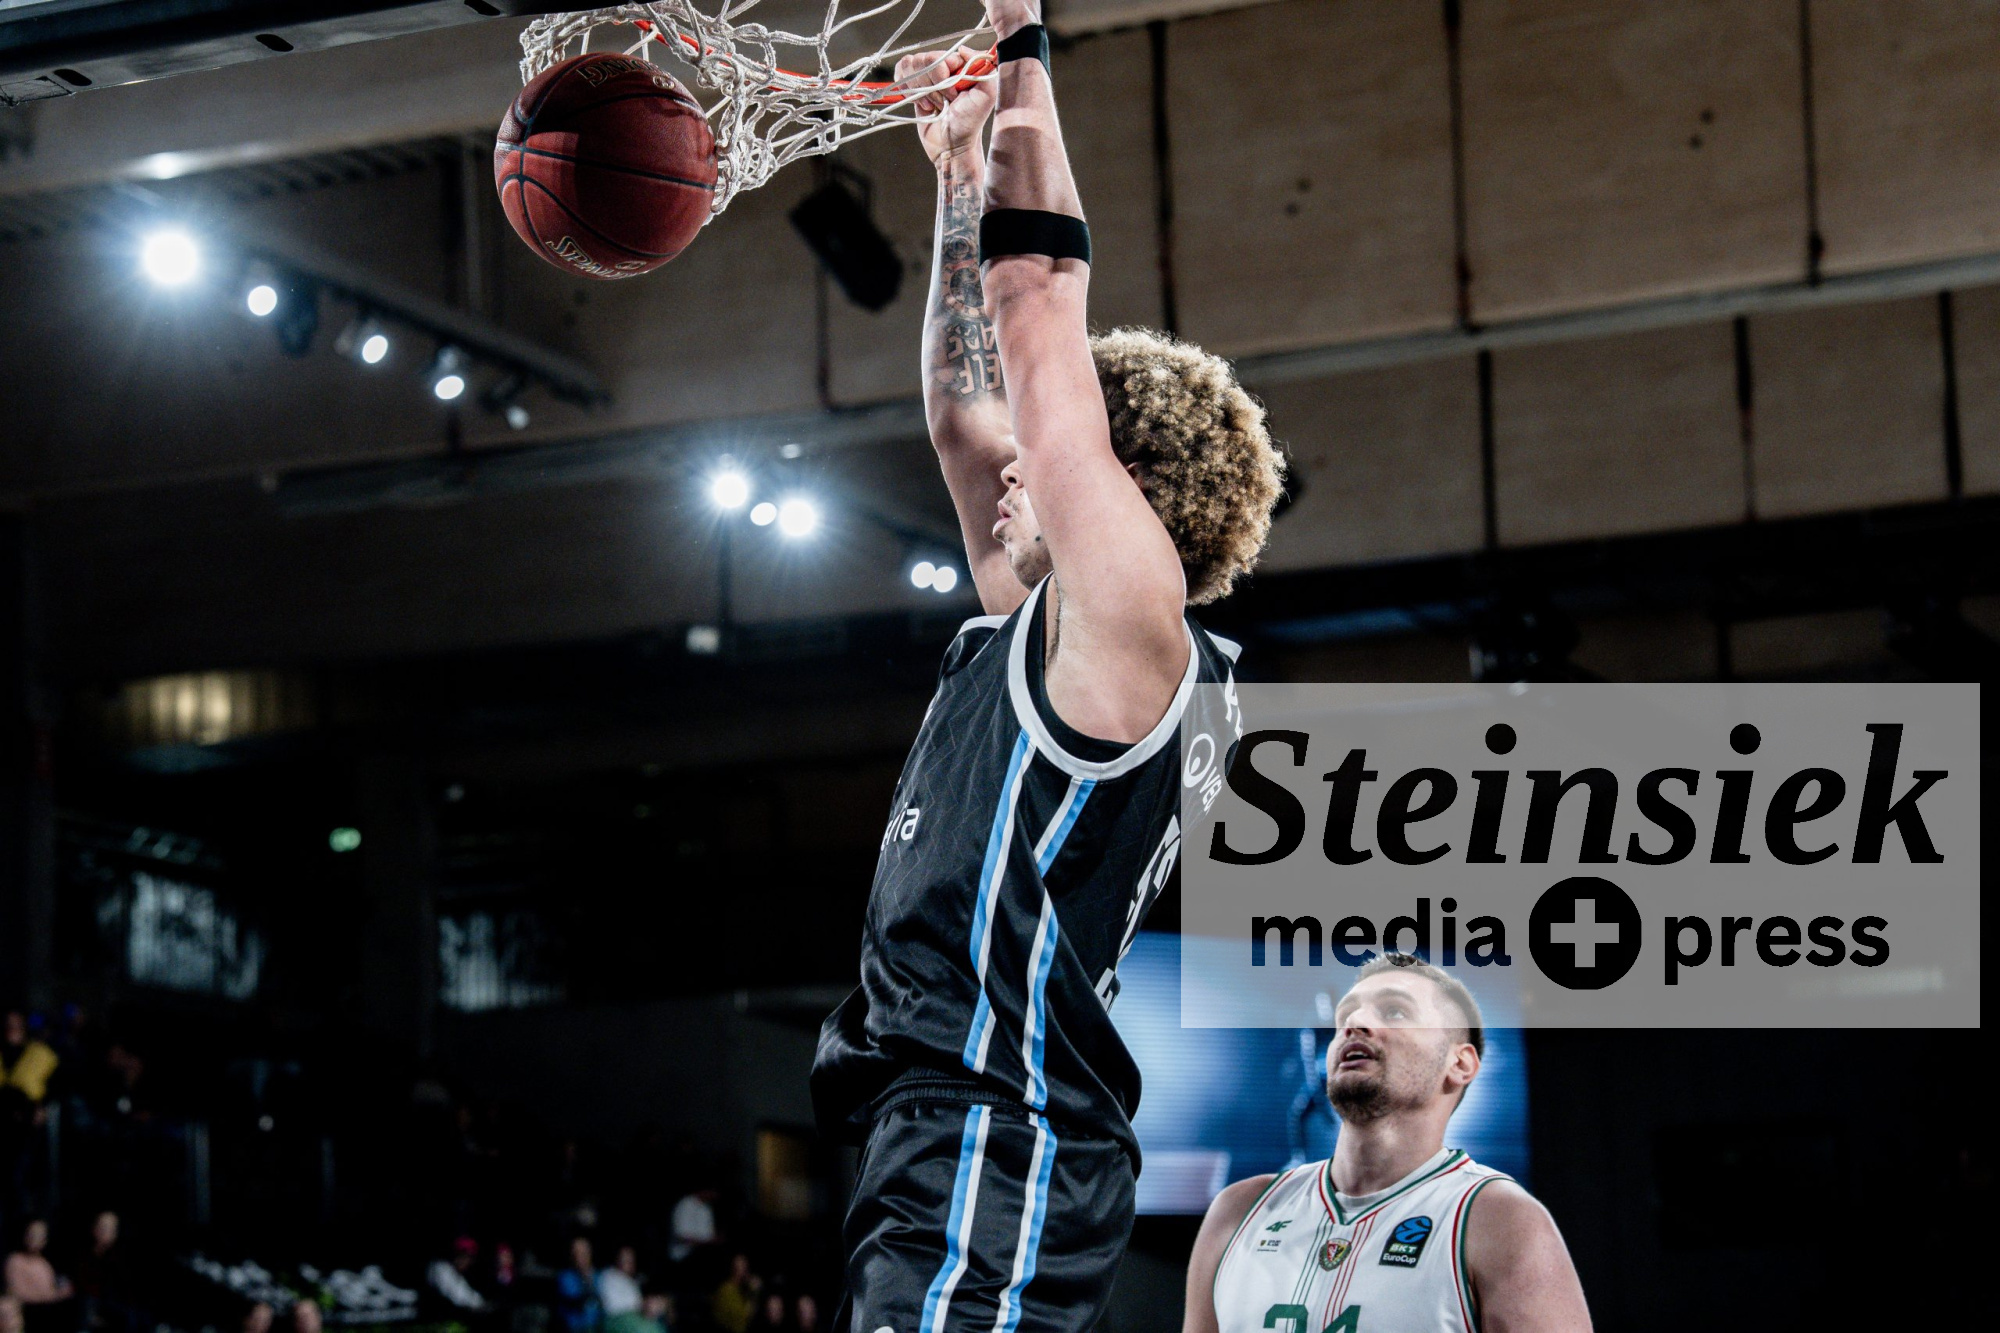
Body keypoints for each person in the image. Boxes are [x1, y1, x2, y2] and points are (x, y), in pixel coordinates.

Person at [813, 1, 1284, 1330]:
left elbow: (1035, 301)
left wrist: (1021, 42)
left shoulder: (1132, 617)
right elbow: (963, 421)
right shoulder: (1062, 633)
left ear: (1122, 486)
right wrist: (959, 175)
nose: (1011, 468)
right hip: (939, 1126)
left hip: (998, 1124)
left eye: (1051, 451)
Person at [1185, 954, 1592, 1333]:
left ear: (1460, 1062)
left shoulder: (1501, 1221)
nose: (1354, 1022)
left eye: (1395, 1011)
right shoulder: (1238, 1212)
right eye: (1347, 1014)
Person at [3, 1220, 71, 1308]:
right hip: (25, 1309)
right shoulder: (15, 1261)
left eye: (39, 1235)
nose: (34, 1239)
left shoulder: (44, 1264)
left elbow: (50, 1291)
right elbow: (18, 1294)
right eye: (31, 1234)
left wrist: (61, 1293)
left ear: (45, 1240)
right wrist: (53, 1296)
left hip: (46, 1309)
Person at [428, 1237, 488, 1314]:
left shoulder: (456, 1272)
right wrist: (482, 1305)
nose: (468, 1262)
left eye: (471, 1258)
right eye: (465, 1256)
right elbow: (459, 1297)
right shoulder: (440, 1267)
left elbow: (470, 1296)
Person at [556, 1238, 602, 1333]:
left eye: (583, 1253)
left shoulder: (600, 1276)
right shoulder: (566, 1277)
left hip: (600, 1326)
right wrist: (584, 1277)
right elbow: (574, 1301)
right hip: (576, 1327)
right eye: (576, 1253)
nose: (580, 1257)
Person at [666, 1186, 717, 1265]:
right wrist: (703, 1242)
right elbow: (680, 1237)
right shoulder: (685, 1204)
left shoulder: (706, 1209)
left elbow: (709, 1236)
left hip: (702, 1254)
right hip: (682, 1256)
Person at [707, 1255, 758, 1333]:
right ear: (733, 1269)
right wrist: (753, 1292)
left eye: (746, 1266)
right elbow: (744, 1316)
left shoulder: (742, 1288)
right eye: (742, 1267)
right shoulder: (727, 1290)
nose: (746, 1270)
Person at [594, 1247, 641, 1321]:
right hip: (615, 1320)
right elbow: (611, 1307)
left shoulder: (631, 1281)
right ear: (617, 1260)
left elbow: (638, 1304)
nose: (629, 1264)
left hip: (632, 1318)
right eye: (625, 1260)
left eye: (631, 1261)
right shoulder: (608, 1276)